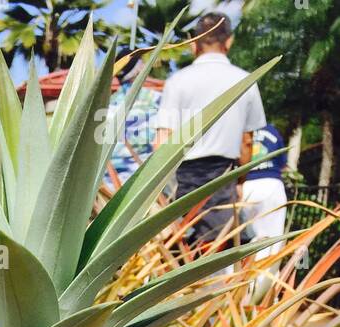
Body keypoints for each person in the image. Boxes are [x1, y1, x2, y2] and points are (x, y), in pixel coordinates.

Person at [153, 12, 266, 248]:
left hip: (183, 178)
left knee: (179, 248)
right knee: (230, 245)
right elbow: (247, 142)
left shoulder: (178, 81)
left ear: (194, 43)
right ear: (229, 41)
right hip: (223, 177)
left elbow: (162, 141)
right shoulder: (245, 81)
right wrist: (239, 181)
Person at [108, 51, 161, 183]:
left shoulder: (108, 104)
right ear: (139, 68)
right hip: (142, 181)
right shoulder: (155, 100)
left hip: (110, 181)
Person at [239, 123, 288, 257]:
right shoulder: (272, 131)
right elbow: (283, 165)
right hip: (271, 185)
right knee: (273, 240)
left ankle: (239, 275)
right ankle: (266, 275)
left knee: (243, 238)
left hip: (245, 185)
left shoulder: (238, 129)